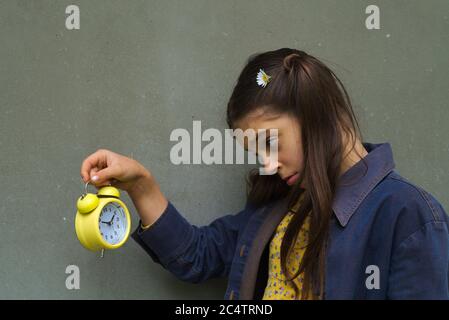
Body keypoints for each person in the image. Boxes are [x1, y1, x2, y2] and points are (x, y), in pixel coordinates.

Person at [80, 48, 449, 300]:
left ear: (317, 115)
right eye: (258, 153)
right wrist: (141, 184)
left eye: (271, 142)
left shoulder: (408, 215)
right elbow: (198, 255)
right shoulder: (278, 205)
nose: (268, 164)